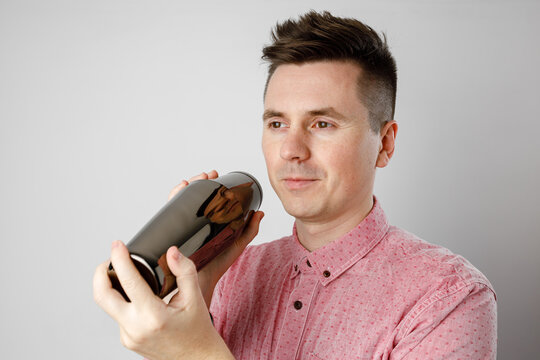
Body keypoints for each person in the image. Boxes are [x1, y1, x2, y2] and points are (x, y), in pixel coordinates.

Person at [93, 10, 497, 360]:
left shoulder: (449, 298)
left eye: (322, 124)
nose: (290, 150)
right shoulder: (230, 276)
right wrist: (198, 290)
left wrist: (198, 353)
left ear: (385, 143)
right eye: (277, 123)